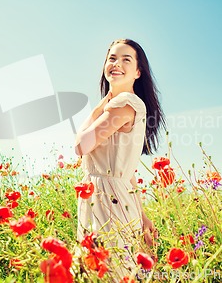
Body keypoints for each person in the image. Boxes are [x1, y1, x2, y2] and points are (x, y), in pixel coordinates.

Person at [74, 38, 166, 278]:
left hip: (107, 198)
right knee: (111, 270)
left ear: (137, 72)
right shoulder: (120, 105)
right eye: (112, 58)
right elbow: (128, 171)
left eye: (126, 59)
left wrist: (97, 109)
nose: (116, 64)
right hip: (114, 195)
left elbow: (80, 145)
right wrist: (143, 215)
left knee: (110, 271)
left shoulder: (125, 105)